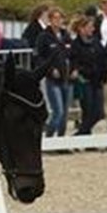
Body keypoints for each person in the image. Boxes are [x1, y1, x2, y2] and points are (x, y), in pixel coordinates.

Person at [35, 7, 71, 137]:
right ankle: (49, 137)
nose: (58, 20)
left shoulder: (66, 35)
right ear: (50, 20)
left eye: (60, 18)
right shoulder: (44, 37)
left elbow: (72, 55)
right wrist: (50, 70)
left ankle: (61, 138)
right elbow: (39, 58)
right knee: (58, 111)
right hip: (53, 79)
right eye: (55, 18)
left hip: (66, 78)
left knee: (65, 113)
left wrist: (74, 69)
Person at [69, 15, 107, 135]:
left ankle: (81, 133)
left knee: (99, 112)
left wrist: (105, 72)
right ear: (82, 28)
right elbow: (73, 61)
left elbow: (103, 57)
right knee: (88, 111)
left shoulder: (96, 42)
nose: (93, 29)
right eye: (90, 27)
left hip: (97, 81)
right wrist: (77, 70)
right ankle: (84, 135)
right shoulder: (75, 44)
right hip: (84, 81)